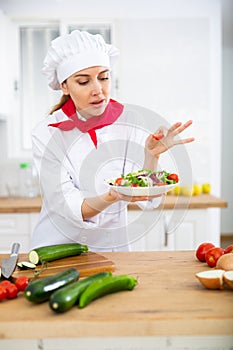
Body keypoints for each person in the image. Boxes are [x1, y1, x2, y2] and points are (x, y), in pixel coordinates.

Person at [30, 30, 194, 252]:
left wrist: (151, 156)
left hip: (111, 250)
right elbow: (70, 208)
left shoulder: (129, 120)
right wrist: (112, 196)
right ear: (65, 86)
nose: (98, 90)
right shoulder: (46, 133)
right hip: (57, 249)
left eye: (104, 77)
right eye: (83, 81)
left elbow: (147, 195)